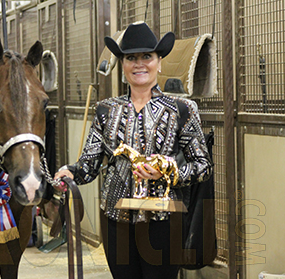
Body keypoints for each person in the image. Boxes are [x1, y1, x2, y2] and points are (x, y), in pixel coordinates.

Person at [54, 22, 213, 279]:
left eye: (147, 56)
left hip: (165, 220)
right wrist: (69, 173)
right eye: (131, 58)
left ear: (159, 62)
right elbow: (88, 165)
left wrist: (167, 170)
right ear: (122, 65)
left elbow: (203, 166)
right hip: (116, 219)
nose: (139, 64)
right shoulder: (105, 111)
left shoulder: (182, 110)